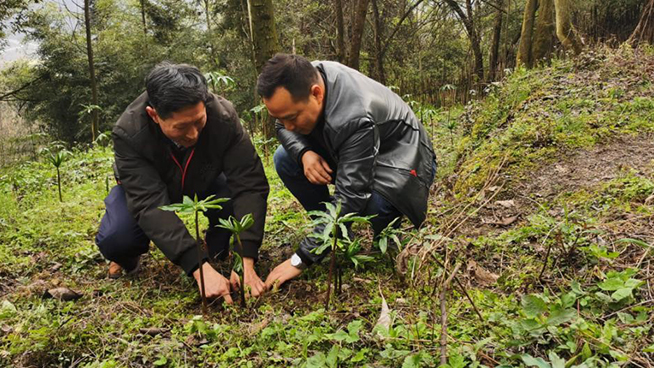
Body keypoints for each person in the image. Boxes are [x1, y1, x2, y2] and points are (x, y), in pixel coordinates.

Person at [95, 62, 269, 303]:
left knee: (230, 201)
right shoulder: (129, 133)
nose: (193, 134)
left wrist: (246, 258)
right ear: (154, 115)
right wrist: (197, 267)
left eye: (198, 121)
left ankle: (217, 248)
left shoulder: (223, 116)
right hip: (149, 188)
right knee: (118, 239)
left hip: (204, 180)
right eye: (181, 127)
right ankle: (126, 257)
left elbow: (249, 181)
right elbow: (148, 203)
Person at [258, 54, 436, 288]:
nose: (287, 125)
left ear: (316, 94)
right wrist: (304, 153)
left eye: (293, 117)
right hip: (354, 147)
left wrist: (300, 259)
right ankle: (335, 234)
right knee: (284, 158)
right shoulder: (304, 79)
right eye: (280, 116)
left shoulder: (355, 115)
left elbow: (352, 193)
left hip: (403, 158)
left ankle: (386, 238)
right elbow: (282, 124)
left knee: (374, 203)